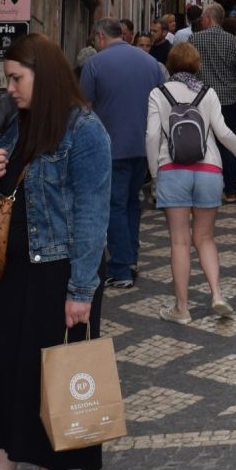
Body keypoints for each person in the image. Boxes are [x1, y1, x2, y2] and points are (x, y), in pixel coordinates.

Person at [0, 34, 111, 470]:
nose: (10, 87)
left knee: (58, 385)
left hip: (62, 275)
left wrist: (82, 291)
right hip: (19, 271)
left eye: (17, 78)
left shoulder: (86, 131)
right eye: (7, 78)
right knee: (1, 373)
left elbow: (92, 215)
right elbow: (14, 199)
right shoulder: (24, 123)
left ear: (43, 75)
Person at [145, 42, 236, 322]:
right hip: (209, 169)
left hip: (173, 168)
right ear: (197, 65)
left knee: (179, 242)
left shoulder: (159, 93)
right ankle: (217, 293)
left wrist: (155, 173)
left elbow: (152, 136)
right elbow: (224, 132)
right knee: (205, 238)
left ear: (169, 65)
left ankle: (182, 309)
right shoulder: (208, 92)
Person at [80, 17, 165, 288]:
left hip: (110, 146)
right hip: (143, 145)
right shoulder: (150, 63)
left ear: (101, 37)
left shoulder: (95, 63)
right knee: (131, 203)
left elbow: (84, 108)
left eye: (95, 39)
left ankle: (120, 268)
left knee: (114, 205)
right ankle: (130, 258)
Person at [190, 3, 236, 202]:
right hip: (228, 99)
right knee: (227, 142)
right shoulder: (234, 41)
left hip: (201, 99)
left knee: (202, 142)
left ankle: (205, 189)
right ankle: (230, 190)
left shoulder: (194, 39)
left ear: (206, 19)